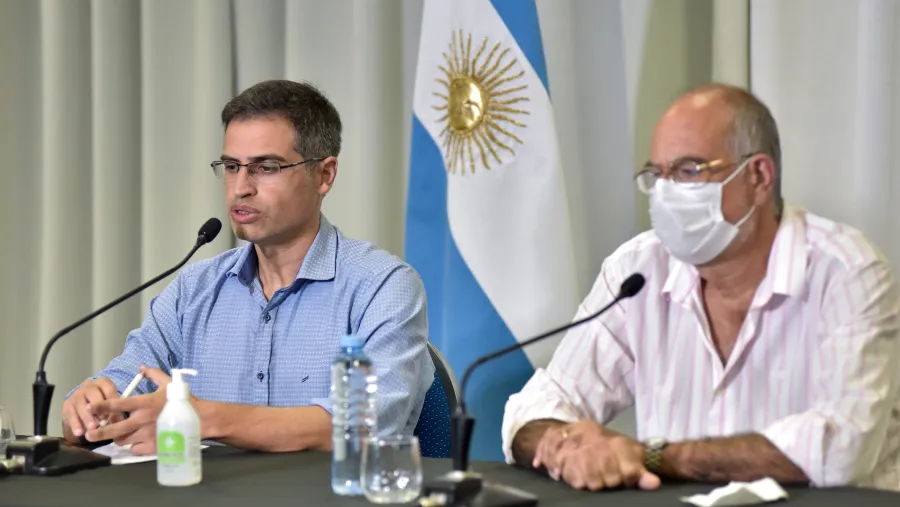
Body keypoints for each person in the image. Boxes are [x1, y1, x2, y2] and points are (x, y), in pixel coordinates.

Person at [502, 84, 900, 491]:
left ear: (759, 177)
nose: (666, 192)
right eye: (656, 175)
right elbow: (538, 405)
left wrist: (651, 455)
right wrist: (564, 446)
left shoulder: (847, 272)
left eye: (689, 170)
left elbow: (841, 449)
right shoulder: (637, 272)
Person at [62, 79, 435, 455]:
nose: (240, 187)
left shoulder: (382, 286)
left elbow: (365, 426)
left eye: (266, 167)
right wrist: (92, 405)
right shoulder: (194, 288)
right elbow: (127, 382)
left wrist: (205, 418)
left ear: (325, 175)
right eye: (231, 166)